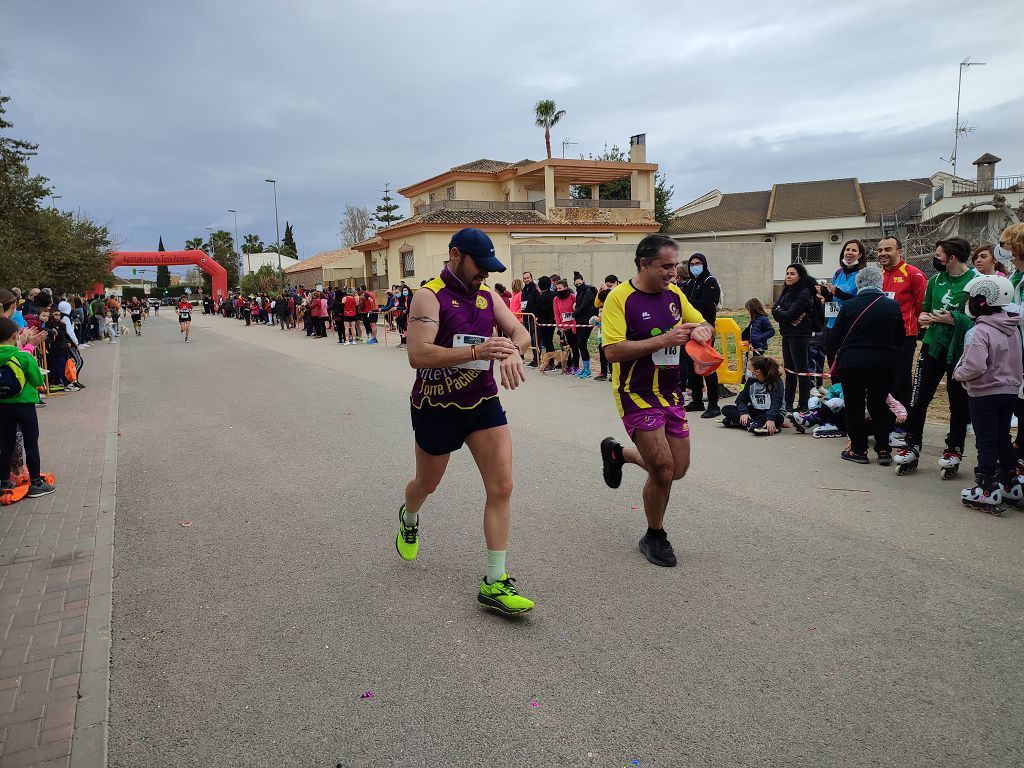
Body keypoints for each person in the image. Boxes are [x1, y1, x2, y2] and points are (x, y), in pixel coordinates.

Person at [398, 228, 534, 615]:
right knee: (427, 484)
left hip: (482, 402)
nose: (485, 275)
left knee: (502, 486)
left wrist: (511, 351)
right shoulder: (429, 295)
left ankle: (494, 582)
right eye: (480, 266)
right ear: (455, 255)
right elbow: (418, 354)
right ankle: (409, 516)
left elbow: (520, 333)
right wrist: (477, 349)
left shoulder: (488, 295)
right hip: (435, 405)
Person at [598, 234, 714, 568]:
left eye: (676, 265)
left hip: (671, 391)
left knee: (677, 469)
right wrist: (664, 338)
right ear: (644, 264)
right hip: (636, 392)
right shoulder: (619, 299)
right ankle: (654, 534)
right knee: (662, 468)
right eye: (666, 266)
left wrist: (702, 330)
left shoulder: (675, 294)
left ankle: (618, 453)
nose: (673, 272)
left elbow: (699, 320)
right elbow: (612, 351)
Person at [893, 237, 977, 476]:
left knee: (957, 401)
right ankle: (912, 444)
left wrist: (954, 319)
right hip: (932, 346)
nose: (935, 259)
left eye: (938, 255)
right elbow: (924, 310)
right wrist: (925, 318)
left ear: (951, 258)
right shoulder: (934, 280)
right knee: (918, 398)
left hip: (959, 350)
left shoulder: (975, 281)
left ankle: (954, 448)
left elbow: (980, 318)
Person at [953, 274, 1023, 512]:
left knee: (985, 440)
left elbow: (975, 366)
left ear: (980, 300)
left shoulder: (979, 331)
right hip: (1009, 391)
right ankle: (1011, 481)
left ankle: (987, 486)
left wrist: (958, 373)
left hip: (984, 393)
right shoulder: (1012, 328)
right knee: (1003, 436)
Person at [826, 265, 905, 464]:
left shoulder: (849, 306)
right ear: (880, 283)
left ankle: (859, 450)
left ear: (858, 283)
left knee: (854, 405)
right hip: (883, 364)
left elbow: (834, 339)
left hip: (852, 363)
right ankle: (884, 449)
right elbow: (900, 337)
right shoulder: (892, 306)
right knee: (879, 405)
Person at [0, 317, 56, 498]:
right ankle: (36, 484)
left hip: (2, 406)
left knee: (5, 445)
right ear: (15, 335)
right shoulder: (22, 356)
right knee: (31, 443)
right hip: (24, 405)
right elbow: (37, 380)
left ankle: (4, 483)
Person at [877, 235, 927, 426]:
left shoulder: (913, 274)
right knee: (883, 379)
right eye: (880, 250)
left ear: (899, 251)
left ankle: (904, 423)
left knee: (901, 380)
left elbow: (922, 307)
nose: (883, 253)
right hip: (880, 337)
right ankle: (886, 419)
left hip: (904, 337)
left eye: (888, 249)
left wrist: (918, 328)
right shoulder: (879, 275)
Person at [680, 253, 722, 418]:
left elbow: (708, 304)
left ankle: (713, 404)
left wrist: (688, 304)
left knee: (707, 365)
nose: (695, 266)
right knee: (692, 367)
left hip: (705, 328)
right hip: (690, 329)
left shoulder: (709, 281)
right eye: (692, 264)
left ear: (704, 264)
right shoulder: (690, 282)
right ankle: (697, 400)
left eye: (698, 263)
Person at [772, 263, 817, 412]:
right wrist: (786, 316)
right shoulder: (786, 291)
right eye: (787, 273)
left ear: (800, 275)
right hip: (787, 334)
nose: (789, 276)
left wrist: (785, 314)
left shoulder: (804, 292)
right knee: (789, 370)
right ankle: (788, 403)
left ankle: (803, 404)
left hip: (799, 336)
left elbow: (791, 313)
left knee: (801, 371)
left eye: (792, 273)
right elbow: (774, 310)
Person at [721, 355, 784, 435]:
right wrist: (744, 412)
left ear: (757, 372)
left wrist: (770, 419)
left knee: (778, 418)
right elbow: (741, 399)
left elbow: (776, 403)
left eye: (749, 369)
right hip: (754, 411)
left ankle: (741, 422)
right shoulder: (751, 381)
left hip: (769, 413)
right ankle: (752, 424)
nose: (748, 371)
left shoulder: (776, 382)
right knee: (726, 409)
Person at [571, 272, 598, 379]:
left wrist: (574, 314)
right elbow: (579, 306)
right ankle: (585, 368)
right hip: (580, 321)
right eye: (576, 284)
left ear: (583, 281)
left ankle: (587, 369)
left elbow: (584, 307)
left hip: (586, 321)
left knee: (582, 343)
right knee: (580, 344)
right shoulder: (580, 292)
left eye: (580, 283)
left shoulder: (587, 292)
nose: (578, 285)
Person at [552, 279, 578, 374]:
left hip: (573, 326)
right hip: (563, 327)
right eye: (557, 288)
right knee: (566, 348)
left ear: (566, 287)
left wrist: (574, 325)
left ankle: (576, 367)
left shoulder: (572, 297)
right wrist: (559, 326)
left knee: (574, 347)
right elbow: (556, 313)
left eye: (560, 288)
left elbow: (576, 311)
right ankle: (568, 366)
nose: (558, 290)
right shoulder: (556, 299)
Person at [533, 276, 556, 368]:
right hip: (553, 321)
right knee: (550, 342)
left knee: (547, 343)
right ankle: (551, 362)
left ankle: (550, 363)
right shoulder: (554, 295)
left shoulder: (541, 297)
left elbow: (536, 310)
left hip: (544, 322)